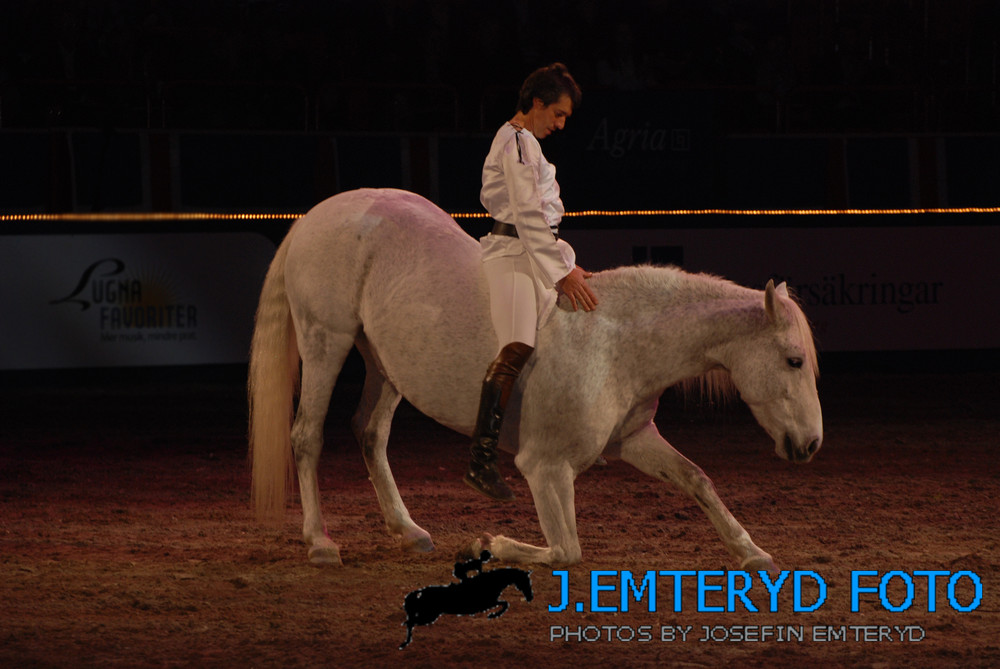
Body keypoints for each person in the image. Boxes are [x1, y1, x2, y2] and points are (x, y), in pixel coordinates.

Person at [464, 63, 598, 502]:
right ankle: (481, 459)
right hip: (514, 255)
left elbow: (542, 221)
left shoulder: (526, 144)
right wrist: (561, 273)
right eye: (557, 115)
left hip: (533, 252)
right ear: (536, 104)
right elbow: (526, 215)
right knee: (517, 346)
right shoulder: (518, 142)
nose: (560, 125)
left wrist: (565, 263)